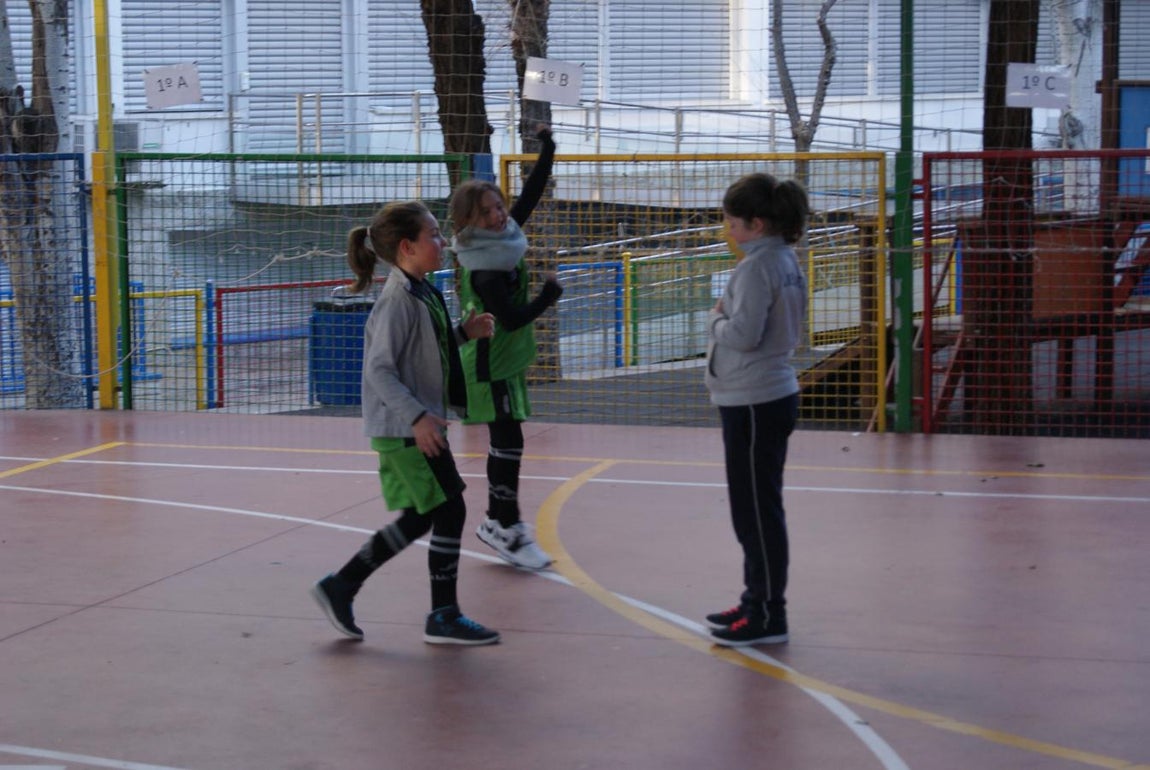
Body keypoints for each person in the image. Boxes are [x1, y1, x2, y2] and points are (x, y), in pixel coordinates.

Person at [310, 200, 501, 646]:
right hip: (404, 427)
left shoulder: (421, 291)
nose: (442, 242)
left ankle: (341, 585)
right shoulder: (397, 301)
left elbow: (425, 347)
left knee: (422, 516)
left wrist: (462, 334)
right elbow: (380, 369)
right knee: (449, 507)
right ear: (406, 247)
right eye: (433, 235)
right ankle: (443, 615)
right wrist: (416, 418)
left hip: (415, 423)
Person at [447, 124, 563, 570]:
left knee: (508, 442)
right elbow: (511, 320)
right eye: (487, 213)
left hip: (505, 359)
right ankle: (503, 523)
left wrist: (547, 149)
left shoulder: (504, 241)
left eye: (498, 207)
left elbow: (529, 196)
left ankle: (502, 521)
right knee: (507, 442)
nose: (499, 216)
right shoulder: (484, 269)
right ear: (468, 224)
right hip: (486, 363)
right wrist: (548, 297)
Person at [704, 172, 809, 647]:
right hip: (767, 394)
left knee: (755, 512)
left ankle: (768, 611)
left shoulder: (756, 268)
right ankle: (756, 599)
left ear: (757, 224)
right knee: (757, 507)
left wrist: (717, 320)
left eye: (732, 221)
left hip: (754, 399)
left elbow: (743, 334)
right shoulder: (785, 260)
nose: (727, 229)